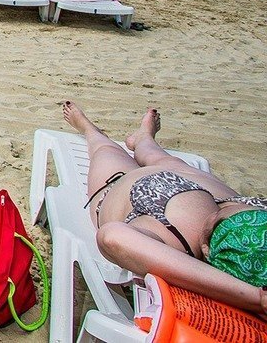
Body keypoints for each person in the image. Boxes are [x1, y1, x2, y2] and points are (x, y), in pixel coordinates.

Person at [62, 101, 267, 319]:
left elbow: (112, 237)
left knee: (104, 150)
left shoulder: (175, 247)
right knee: (160, 158)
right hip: (222, 199)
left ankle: (89, 129)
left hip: (137, 194)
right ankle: (143, 139)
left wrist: (254, 297)